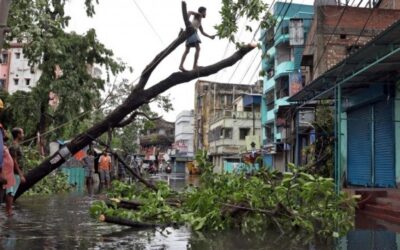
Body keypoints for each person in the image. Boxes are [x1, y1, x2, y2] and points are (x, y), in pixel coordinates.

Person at [179, 6, 215, 72]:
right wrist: (187, 21)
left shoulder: (199, 22)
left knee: (187, 50)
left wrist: (210, 36)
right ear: (202, 12)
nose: (205, 14)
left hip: (189, 33)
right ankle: (194, 66)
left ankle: (181, 65)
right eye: (205, 12)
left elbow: (202, 32)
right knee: (198, 48)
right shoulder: (199, 15)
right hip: (192, 31)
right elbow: (190, 12)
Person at [4, 129, 25, 216]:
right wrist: (20, 174)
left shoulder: (17, 145)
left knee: (12, 192)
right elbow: (14, 161)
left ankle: (9, 211)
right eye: (22, 133)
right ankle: (9, 212)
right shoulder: (14, 146)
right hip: (13, 172)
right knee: (10, 192)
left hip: (16, 172)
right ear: (18, 135)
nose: (23, 135)